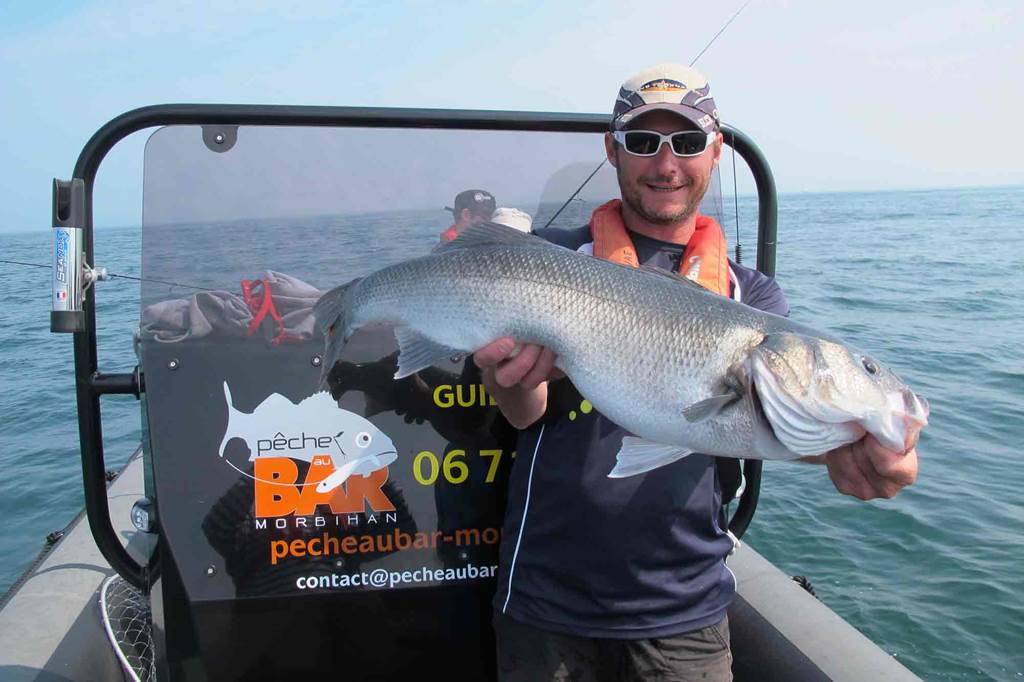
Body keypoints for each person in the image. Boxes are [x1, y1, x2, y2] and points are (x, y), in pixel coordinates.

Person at [472, 63, 920, 681]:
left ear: (714, 151)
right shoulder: (552, 262)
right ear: (613, 150)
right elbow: (526, 414)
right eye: (642, 142)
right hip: (545, 599)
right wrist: (507, 380)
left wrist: (853, 443)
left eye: (685, 143)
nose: (665, 164)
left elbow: (767, 413)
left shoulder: (752, 297)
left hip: (685, 615)